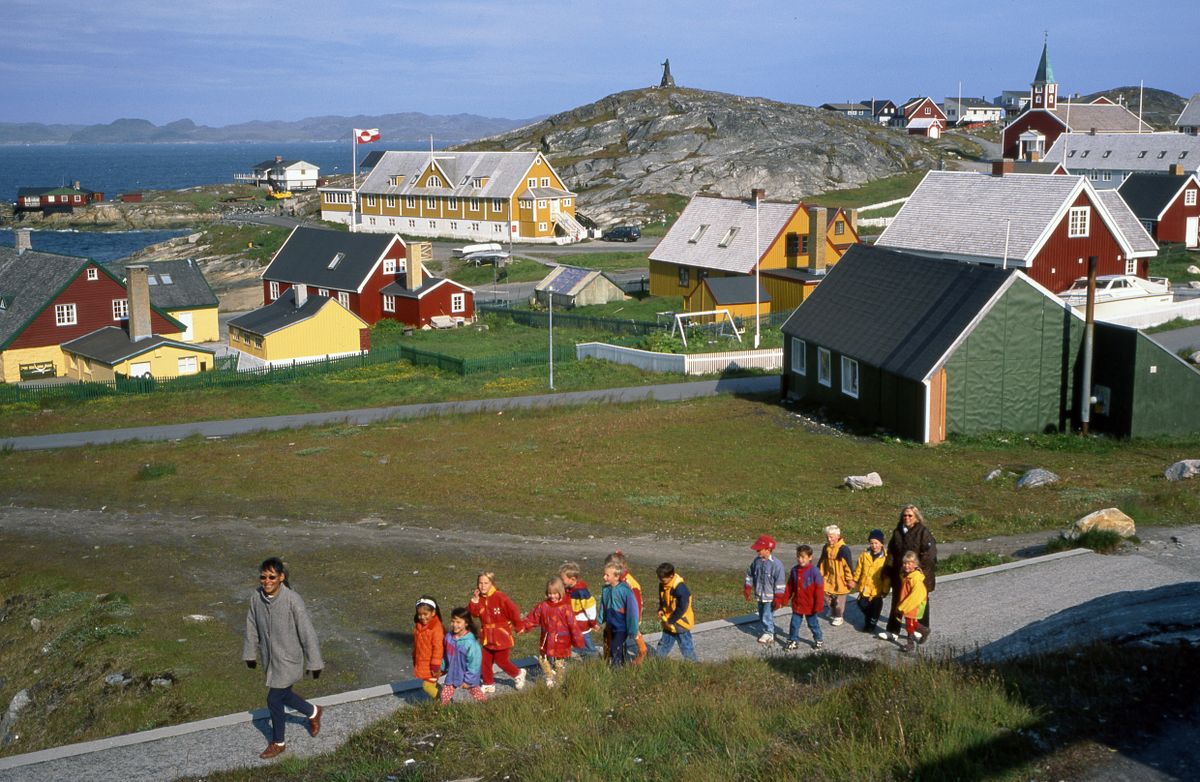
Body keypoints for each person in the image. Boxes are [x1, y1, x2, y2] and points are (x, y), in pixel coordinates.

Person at [242, 557, 324, 760]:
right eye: (263, 577)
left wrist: (314, 662)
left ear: (281, 577)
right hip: (271, 659)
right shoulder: (256, 597)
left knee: (274, 698)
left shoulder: (292, 599)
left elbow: (307, 632)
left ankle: (278, 742)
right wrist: (250, 653)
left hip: (289, 660)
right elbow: (251, 626)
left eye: (272, 577)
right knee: (284, 695)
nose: (267, 581)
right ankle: (313, 711)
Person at [880, 505, 937, 643]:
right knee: (897, 601)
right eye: (905, 515)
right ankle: (893, 631)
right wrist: (888, 568)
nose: (907, 518)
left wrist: (915, 568)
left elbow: (930, 555)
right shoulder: (897, 532)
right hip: (899, 574)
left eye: (910, 515)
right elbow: (892, 552)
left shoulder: (923, 532)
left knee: (919, 604)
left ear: (916, 517)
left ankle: (921, 630)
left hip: (919, 575)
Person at [468, 571, 527, 693]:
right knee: (485, 661)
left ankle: (518, 673)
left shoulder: (500, 597)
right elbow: (474, 613)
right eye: (480, 583)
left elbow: (513, 610)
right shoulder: (479, 598)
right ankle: (488, 683)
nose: (483, 586)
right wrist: (474, 601)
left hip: (501, 635)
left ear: (492, 583)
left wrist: (519, 625)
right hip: (486, 636)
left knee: (501, 661)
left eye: (486, 583)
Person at [520, 576, 584, 688]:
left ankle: (559, 682)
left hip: (561, 640)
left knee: (559, 663)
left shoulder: (566, 607)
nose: (552, 596)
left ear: (560, 592)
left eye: (555, 593)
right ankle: (549, 676)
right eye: (549, 593)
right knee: (542, 659)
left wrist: (577, 639)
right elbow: (532, 618)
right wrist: (523, 627)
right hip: (546, 639)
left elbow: (573, 624)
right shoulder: (543, 606)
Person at [605, 552, 647, 664]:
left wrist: (634, 622)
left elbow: (636, 605)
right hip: (617, 617)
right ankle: (619, 661)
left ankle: (640, 655)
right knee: (618, 641)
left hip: (628, 618)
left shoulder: (631, 584)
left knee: (629, 638)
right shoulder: (616, 581)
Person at [744, 534, 787, 644]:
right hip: (760, 594)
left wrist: (778, 598)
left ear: (768, 550)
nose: (757, 551)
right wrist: (748, 587)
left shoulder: (777, 565)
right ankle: (766, 630)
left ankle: (769, 632)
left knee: (767, 615)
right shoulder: (756, 561)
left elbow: (780, 583)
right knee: (762, 613)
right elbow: (750, 574)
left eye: (759, 549)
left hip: (770, 596)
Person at [782, 544, 825, 650]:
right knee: (794, 624)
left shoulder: (815, 572)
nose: (800, 560)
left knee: (813, 624)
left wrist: (818, 605)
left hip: (810, 605)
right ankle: (793, 640)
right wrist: (785, 598)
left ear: (810, 557)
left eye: (803, 557)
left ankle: (818, 639)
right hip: (798, 604)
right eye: (798, 557)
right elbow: (790, 586)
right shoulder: (794, 570)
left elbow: (819, 590)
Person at [441, 607, 487, 703]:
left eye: (458, 622)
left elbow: (474, 664)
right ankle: (444, 711)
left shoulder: (470, 643)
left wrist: (468, 680)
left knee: (476, 692)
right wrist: (442, 667)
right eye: (453, 621)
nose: (454, 625)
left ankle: (486, 706)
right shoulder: (448, 638)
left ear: (466, 623)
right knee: (445, 695)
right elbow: (445, 655)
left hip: (467, 675)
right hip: (453, 674)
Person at [598, 562, 639, 667]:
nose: (604, 577)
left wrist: (633, 629)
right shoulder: (606, 589)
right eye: (604, 574)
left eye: (607, 575)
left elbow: (633, 611)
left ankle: (616, 670)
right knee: (615, 646)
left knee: (615, 647)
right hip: (610, 625)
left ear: (616, 576)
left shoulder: (625, 591)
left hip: (621, 626)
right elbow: (603, 606)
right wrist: (598, 621)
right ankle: (622, 664)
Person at [655, 562, 698, 661]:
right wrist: (661, 609)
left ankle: (693, 665)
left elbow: (682, 608)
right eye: (659, 578)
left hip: (681, 623)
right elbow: (663, 600)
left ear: (671, 576)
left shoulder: (680, 589)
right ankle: (658, 662)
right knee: (664, 644)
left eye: (662, 579)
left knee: (686, 646)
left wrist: (672, 619)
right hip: (669, 621)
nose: (660, 581)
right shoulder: (663, 584)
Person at [853, 529, 890, 634]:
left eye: (876, 543)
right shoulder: (865, 555)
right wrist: (855, 580)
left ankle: (870, 625)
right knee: (861, 604)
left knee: (875, 609)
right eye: (872, 543)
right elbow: (858, 569)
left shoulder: (886, 558)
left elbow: (887, 577)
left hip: (877, 589)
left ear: (881, 544)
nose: (874, 545)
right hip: (864, 587)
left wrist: (885, 589)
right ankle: (870, 618)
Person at [559, 562, 599, 657]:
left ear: (572, 579)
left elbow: (590, 608)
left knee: (585, 639)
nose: (561, 582)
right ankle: (582, 652)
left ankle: (593, 655)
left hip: (581, 623)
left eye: (563, 579)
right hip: (573, 621)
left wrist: (593, 622)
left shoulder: (581, 592)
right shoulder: (569, 590)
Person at [818, 525, 855, 626]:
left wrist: (850, 580)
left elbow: (848, 566)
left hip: (841, 579)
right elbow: (822, 563)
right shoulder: (826, 548)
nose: (829, 539)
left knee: (840, 600)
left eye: (831, 537)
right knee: (824, 594)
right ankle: (832, 609)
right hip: (829, 577)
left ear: (838, 536)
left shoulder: (843, 549)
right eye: (827, 537)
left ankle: (839, 616)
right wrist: (819, 575)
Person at [895, 552, 930, 653]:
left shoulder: (915, 579)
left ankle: (910, 644)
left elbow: (916, 596)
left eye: (910, 563)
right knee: (912, 623)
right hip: (909, 603)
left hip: (913, 604)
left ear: (915, 564)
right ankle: (924, 631)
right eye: (905, 563)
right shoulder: (908, 576)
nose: (906, 565)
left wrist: (903, 607)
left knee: (909, 624)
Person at [412, 596, 445, 700]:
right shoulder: (418, 627)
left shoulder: (436, 628)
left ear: (433, 613)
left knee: (427, 686)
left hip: (433, 665)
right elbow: (416, 645)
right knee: (431, 684)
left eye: (425, 614)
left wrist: (436, 665)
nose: (422, 617)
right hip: (423, 662)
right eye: (420, 614)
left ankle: (442, 701)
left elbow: (438, 648)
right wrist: (414, 657)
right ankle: (439, 700)